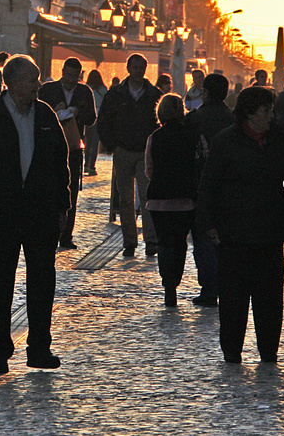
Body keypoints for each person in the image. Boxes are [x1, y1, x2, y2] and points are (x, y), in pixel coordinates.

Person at [0, 55, 70, 374]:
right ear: (14, 82)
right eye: (33, 79)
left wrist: (63, 206)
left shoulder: (45, 115)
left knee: (42, 282)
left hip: (41, 212)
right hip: (0, 212)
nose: (38, 84)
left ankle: (39, 349)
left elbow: (60, 164)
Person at [198, 84, 284, 363]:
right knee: (233, 299)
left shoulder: (278, 140)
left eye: (270, 110)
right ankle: (232, 351)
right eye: (265, 111)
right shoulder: (226, 142)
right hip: (233, 233)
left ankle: (268, 349)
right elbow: (208, 186)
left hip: (269, 231)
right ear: (248, 113)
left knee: (269, 298)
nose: (270, 116)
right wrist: (209, 225)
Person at [97, 54, 163, 259]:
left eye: (141, 67)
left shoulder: (154, 94)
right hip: (123, 150)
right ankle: (129, 242)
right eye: (135, 67)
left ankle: (151, 241)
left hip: (145, 152)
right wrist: (111, 145)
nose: (138, 71)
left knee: (147, 197)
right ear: (128, 68)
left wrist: (156, 148)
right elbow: (104, 120)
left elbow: (161, 122)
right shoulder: (115, 93)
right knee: (125, 199)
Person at [183, 72, 236, 306]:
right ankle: (227, 286)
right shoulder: (234, 120)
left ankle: (208, 289)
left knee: (203, 239)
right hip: (228, 188)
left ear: (204, 92)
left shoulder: (193, 119)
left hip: (199, 186)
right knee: (225, 241)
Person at [144, 94, 198, 308]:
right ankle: (175, 279)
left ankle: (168, 286)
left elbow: (149, 170)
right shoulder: (191, 136)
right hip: (185, 200)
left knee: (164, 242)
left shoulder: (154, 137)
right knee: (180, 243)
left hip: (159, 200)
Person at [40, 58, 96, 250]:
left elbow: (92, 119)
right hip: (49, 148)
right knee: (48, 187)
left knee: (71, 189)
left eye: (75, 76)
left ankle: (66, 234)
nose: (71, 80)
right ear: (62, 72)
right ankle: (49, 229)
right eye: (68, 75)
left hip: (73, 147)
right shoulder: (48, 90)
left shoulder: (85, 92)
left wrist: (76, 112)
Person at [83, 70, 108, 175]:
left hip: (89, 115)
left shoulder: (87, 88)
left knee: (88, 142)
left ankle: (86, 165)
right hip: (100, 117)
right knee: (95, 142)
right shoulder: (103, 89)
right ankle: (92, 166)